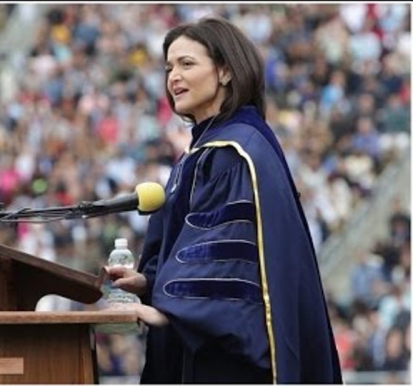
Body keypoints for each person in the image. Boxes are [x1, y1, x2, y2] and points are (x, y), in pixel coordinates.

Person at [106, 17, 343, 383]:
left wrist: (172, 307)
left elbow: (227, 263)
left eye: (187, 64)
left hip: (232, 366)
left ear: (226, 72)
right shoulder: (203, 152)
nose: (173, 77)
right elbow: (191, 249)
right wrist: (150, 283)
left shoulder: (234, 151)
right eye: (169, 67)